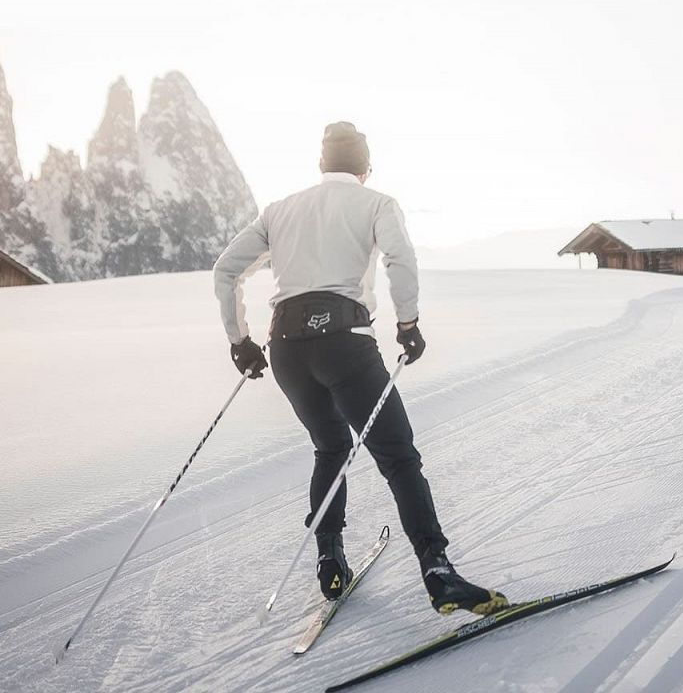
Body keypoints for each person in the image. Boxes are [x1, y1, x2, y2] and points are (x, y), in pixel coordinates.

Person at [212, 122, 507, 615]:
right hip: (344, 340)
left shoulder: (278, 210)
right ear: (365, 168)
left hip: (286, 346)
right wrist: (408, 323)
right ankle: (438, 571)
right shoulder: (376, 203)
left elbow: (225, 269)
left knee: (330, 447)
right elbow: (400, 258)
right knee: (397, 456)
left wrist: (239, 341)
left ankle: (329, 561)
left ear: (321, 164)